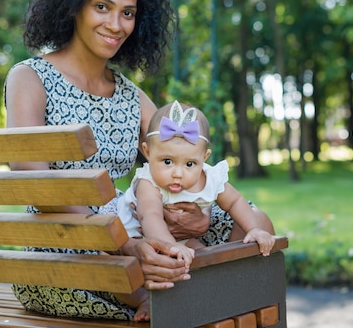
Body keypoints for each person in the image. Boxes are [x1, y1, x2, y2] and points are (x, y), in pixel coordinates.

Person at [4, 0, 274, 322]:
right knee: (155, 271)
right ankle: (182, 295)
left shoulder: (130, 95)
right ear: (72, 6)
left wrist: (202, 216)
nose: (116, 25)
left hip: (126, 234)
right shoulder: (30, 77)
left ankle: (179, 293)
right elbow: (36, 180)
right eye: (102, 6)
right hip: (64, 249)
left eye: (127, 13)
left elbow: (182, 156)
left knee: (251, 223)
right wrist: (122, 244)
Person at [118, 101, 276, 320]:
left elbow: (236, 201)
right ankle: (148, 302)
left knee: (202, 259)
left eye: (190, 164)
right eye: (167, 161)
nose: (178, 173)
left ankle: (207, 301)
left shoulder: (210, 178)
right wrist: (170, 246)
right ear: (147, 152)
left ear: (205, 158)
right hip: (140, 236)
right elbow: (150, 216)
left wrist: (254, 229)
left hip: (180, 238)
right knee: (149, 266)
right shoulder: (148, 182)